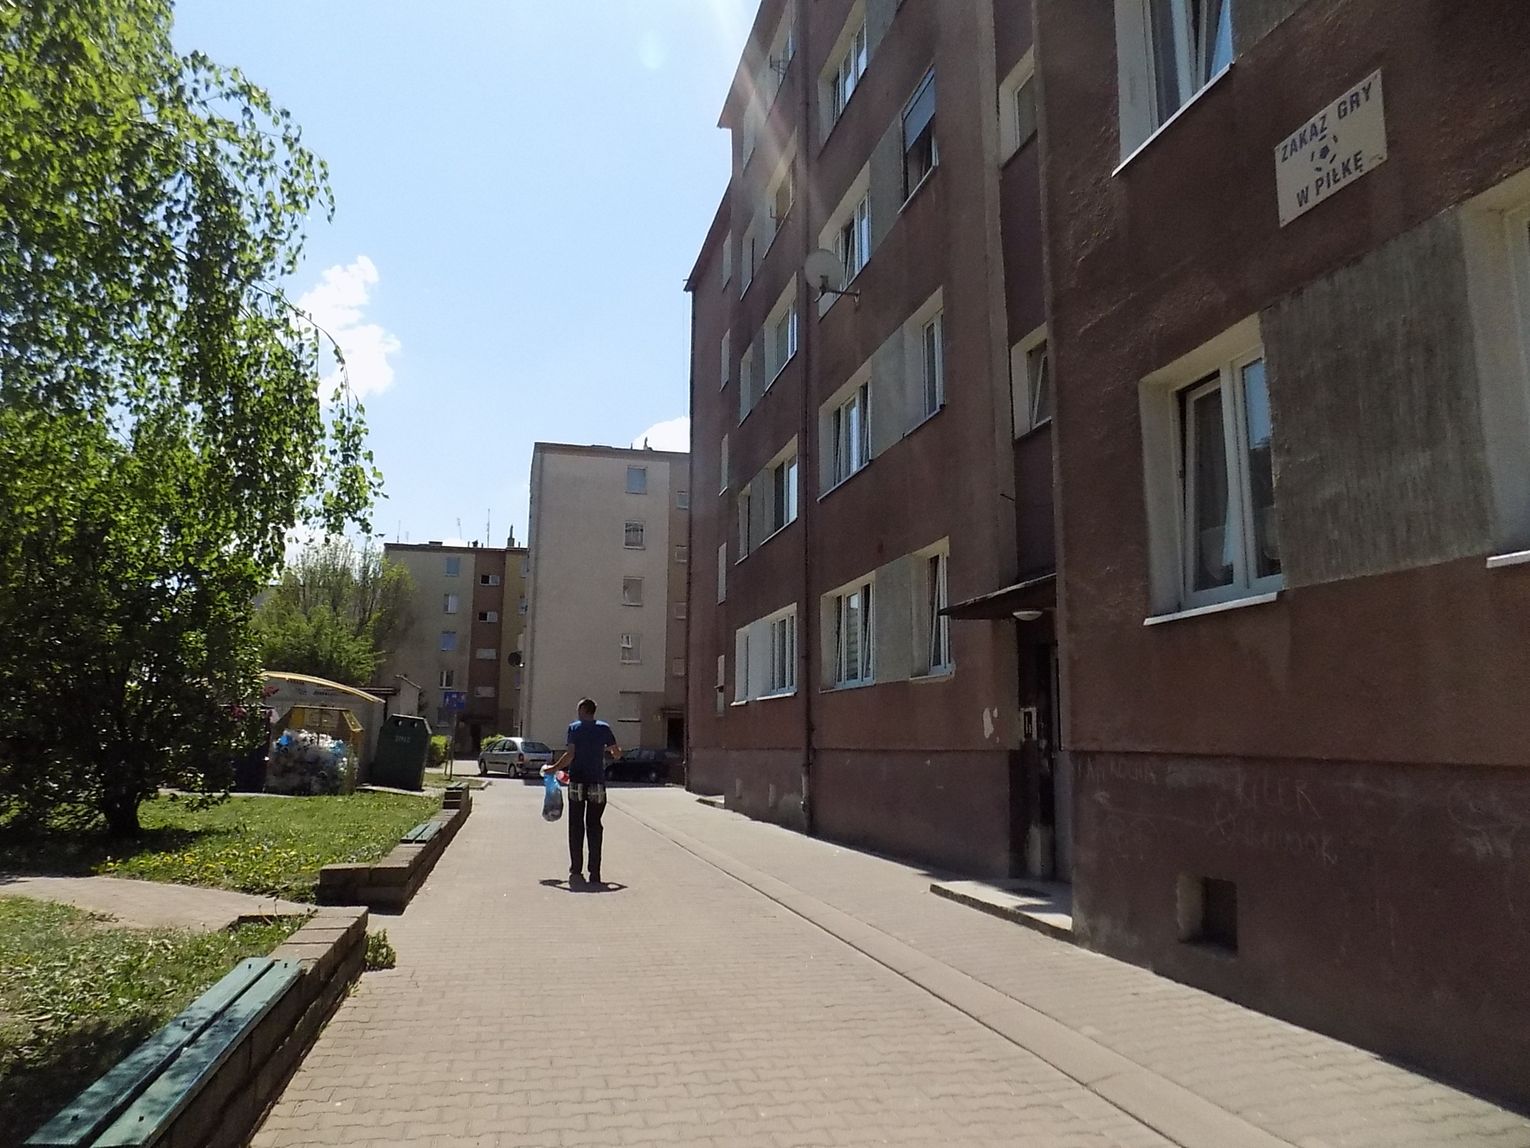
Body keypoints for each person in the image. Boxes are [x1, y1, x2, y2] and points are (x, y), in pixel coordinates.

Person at [543, 697, 619, 885]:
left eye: (579, 710)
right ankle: (595, 871)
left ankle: (576, 868)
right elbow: (616, 753)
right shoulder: (604, 728)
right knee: (595, 825)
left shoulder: (574, 728)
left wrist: (554, 768)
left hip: (577, 781)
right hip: (597, 783)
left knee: (576, 824)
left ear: (584, 710)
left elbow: (570, 754)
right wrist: (613, 754)